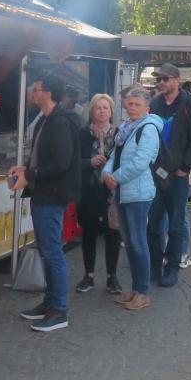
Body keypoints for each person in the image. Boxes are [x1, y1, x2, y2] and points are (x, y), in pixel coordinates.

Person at [9, 73, 81, 333]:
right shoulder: (45, 119)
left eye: (37, 89)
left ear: (48, 93)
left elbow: (61, 163)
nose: (32, 92)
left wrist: (30, 175)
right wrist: (26, 168)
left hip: (53, 195)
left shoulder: (59, 122)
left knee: (52, 252)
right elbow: (43, 157)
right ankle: (49, 302)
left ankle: (59, 310)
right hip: (43, 193)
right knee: (47, 250)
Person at [102, 86, 162, 311]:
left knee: (138, 242)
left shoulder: (148, 128)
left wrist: (115, 177)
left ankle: (143, 292)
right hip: (123, 191)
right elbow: (114, 155)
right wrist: (106, 174)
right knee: (129, 243)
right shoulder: (126, 127)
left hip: (138, 193)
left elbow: (140, 162)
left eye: (137, 104)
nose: (132, 108)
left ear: (147, 107)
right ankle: (136, 289)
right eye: (130, 104)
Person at [148, 63, 191, 286]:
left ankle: (172, 266)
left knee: (175, 224)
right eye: (158, 79)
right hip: (156, 174)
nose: (161, 83)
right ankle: (155, 264)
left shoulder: (190, 105)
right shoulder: (155, 103)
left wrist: (185, 166)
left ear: (176, 80)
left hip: (178, 175)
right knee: (153, 223)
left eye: (165, 79)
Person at [75, 93, 121, 296]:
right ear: (91, 111)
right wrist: (90, 162)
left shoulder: (120, 135)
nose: (102, 111)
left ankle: (112, 276)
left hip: (112, 191)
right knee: (89, 233)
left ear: (111, 111)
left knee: (113, 233)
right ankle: (89, 275)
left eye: (105, 108)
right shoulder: (82, 134)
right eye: (98, 108)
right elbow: (73, 161)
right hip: (89, 190)